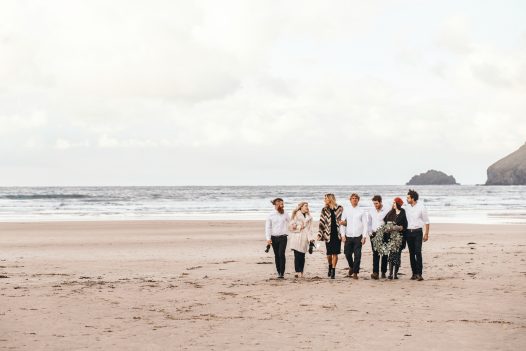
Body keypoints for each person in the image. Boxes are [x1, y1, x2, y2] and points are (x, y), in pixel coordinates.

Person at [339, 193, 368, 279]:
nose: (354, 199)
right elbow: (342, 223)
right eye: (353, 198)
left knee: (357, 255)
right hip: (348, 236)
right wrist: (343, 235)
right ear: (350, 200)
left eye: (356, 198)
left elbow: (365, 225)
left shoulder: (361, 211)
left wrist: (364, 236)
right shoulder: (346, 210)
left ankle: (355, 273)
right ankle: (351, 267)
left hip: (358, 236)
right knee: (347, 254)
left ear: (358, 200)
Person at [405, 189, 430, 281]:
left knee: (418, 252)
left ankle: (420, 274)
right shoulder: (406, 207)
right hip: (408, 232)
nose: (407, 199)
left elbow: (427, 221)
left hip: (418, 232)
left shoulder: (421, 207)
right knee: (411, 253)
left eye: (408, 198)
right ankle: (414, 273)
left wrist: (426, 234)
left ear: (413, 198)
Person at [317, 194, 343, 279]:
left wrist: (343, 234)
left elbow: (343, 221)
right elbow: (321, 223)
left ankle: (333, 271)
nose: (324, 200)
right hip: (328, 234)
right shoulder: (324, 210)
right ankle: (330, 265)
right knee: (329, 254)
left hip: (337, 234)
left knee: (335, 253)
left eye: (326, 198)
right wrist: (320, 234)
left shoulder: (339, 208)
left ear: (330, 199)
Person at [383, 197, 408, 280]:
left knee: (397, 255)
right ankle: (390, 273)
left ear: (398, 204)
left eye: (394, 203)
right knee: (391, 255)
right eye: (393, 203)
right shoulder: (390, 213)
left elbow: (405, 226)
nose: (393, 204)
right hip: (390, 238)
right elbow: (385, 222)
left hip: (400, 238)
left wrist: (396, 228)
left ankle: (395, 274)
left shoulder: (403, 212)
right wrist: (387, 228)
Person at [265, 198, 290, 279]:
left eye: (283, 204)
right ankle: (278, 272)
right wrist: (268, 238)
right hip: (274, 238)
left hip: (283, 237)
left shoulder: (285, 213)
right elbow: (268, 227)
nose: (282, 206)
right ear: (276, 205)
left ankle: (282, 273)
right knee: (276, 255)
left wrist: (296, 226)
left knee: (281, 254)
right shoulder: (270, 215)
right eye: (280, 204)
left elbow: (291, 222)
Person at [288, 202, 315, 278]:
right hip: (296, 237)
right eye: (305, 206)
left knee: (302, 256)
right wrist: (300, 227)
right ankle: (297, 271)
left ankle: (301, 271)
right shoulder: (296, 215)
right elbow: (290, 226)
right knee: (297, 255)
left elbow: (310, 229)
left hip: (304, 238)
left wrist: (311, 239)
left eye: (307, 206)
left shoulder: (309, 217)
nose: (307, 207)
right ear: (301, 207)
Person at [369, 195, 390, 280]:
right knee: (375, 253)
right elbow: (369, 222)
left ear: (381, 202)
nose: (375, 205)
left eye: (377, 203)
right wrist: (370, 232)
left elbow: (390, 220)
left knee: (384, 253)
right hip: (374, 234)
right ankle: (375, 272)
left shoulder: (387, 209)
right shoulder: (371, 211)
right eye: (374, 203)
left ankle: (383, 272)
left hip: (384, 234)